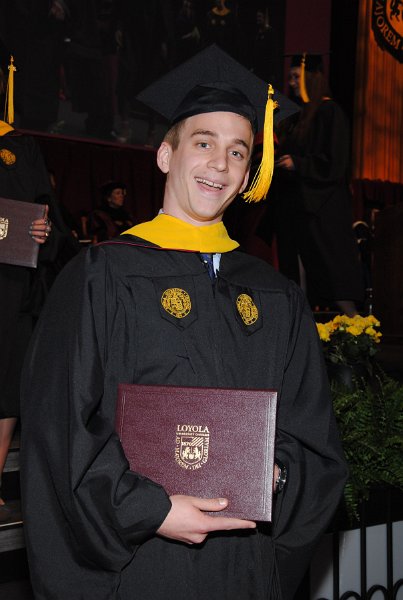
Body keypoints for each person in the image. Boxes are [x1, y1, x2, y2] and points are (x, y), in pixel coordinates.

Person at [20, 45, 348, 599]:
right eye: (203, 143)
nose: (220, 164)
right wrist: (149, 510)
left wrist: (278, 476)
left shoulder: (276, 295)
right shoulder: (103, 274)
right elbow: (61, 425)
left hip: (245, 566)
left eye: (238, 151)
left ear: (249, 172)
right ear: (165, 155)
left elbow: (312, 434)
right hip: (142, 565)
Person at [0, 49, 53, 516]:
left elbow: (45, 211)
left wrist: (44, 231)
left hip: (13, 285)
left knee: (5, 387)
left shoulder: (21, 147)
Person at [273, 53, 365, 316]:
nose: (291, 83)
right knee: (298, 275)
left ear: (311, 78)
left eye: (296, 77)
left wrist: (298, 164)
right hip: (298, 209)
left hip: (323, 208)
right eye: (290, 78)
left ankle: (357, 329)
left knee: (333, 274)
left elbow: (335, 162)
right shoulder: (299, 117)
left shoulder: (329, 112)